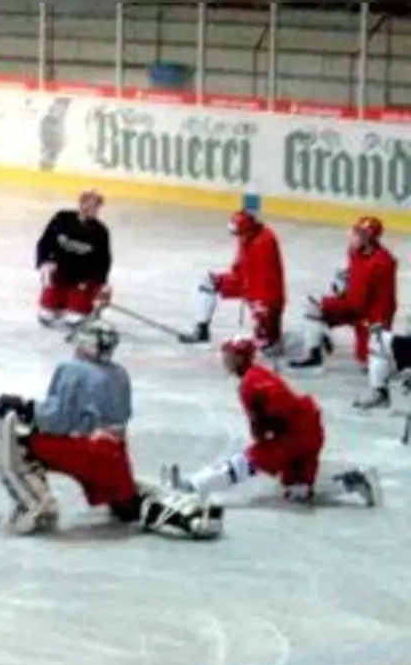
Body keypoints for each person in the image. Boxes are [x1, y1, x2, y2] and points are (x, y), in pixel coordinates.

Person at [0, 320, 222, 539]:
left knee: (14, 432)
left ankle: (35, 506)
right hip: (116, 453)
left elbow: (57, 421)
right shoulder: (119, 373)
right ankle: (182, 515)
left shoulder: (73, 369)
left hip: (87, 450)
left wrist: (23, 407)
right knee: (128, 507)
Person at [166, 337, 379, 506]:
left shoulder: (252, 382)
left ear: (241, 358)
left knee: (245, 462)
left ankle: (194, 486)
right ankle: (350, 482)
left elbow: (278, 406)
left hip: (295, 434)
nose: (225, 360)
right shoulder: (255, 376)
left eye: (230, 355)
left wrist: (268, 433)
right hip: (308, 430)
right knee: (297, 493)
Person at [290, 216, 397, 370]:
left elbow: (357, 302)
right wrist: (345, 280)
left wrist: (327, 302)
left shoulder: (381, 263)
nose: (351, 236)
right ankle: (314, 353)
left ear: (368, 239)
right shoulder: (356, 252)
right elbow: (354, 282)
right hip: (356, 306)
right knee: (312, 306)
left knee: (369, 363)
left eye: (357, 234)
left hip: (373, 317)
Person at [181, 209, 285, 350]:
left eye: (240, 234)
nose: (238, 237)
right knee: (207, 282)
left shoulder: (265, 242)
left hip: (265, 294)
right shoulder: (247, 236)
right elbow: (241, 265)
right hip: (244, 282)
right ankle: (202, 329)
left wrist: (259, 307)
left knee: (267, 345)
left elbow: (267, 281)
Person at [36, 188, 112, 327]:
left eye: (97, 206)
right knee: (46, 314)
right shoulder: (62, 218)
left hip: (82, 281)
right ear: (82, 203)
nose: (94, 209)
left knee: (75, 318)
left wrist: (102, 285)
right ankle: (57, 303)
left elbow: (104, 260)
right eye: (91, 204)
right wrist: (44, 262)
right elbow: (45, 242)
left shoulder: (101, 231)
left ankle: (78, 305)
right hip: (59, 276)